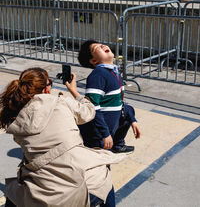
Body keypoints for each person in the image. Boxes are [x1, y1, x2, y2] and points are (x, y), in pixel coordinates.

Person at [0, 67, 125, 207]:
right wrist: (74, 91)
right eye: (50, 83)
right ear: (46, 89)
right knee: (103, 177)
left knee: (13, 191)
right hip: (77, 193)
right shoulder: (60, 102)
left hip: (39, 196)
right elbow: (89, 112)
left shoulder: (16, 118)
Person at [78, 40, 141, 153]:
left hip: (112, 124)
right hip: (99, 134)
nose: (102, 45)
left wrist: (132, 120)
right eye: (97, 48)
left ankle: (117, 145)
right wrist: (105, 134)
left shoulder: (112, 72)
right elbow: (93, 107)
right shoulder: (98, 75)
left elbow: (119, 102)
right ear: (93, 60)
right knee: (102, 160)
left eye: (101, 44)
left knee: (128, 110)